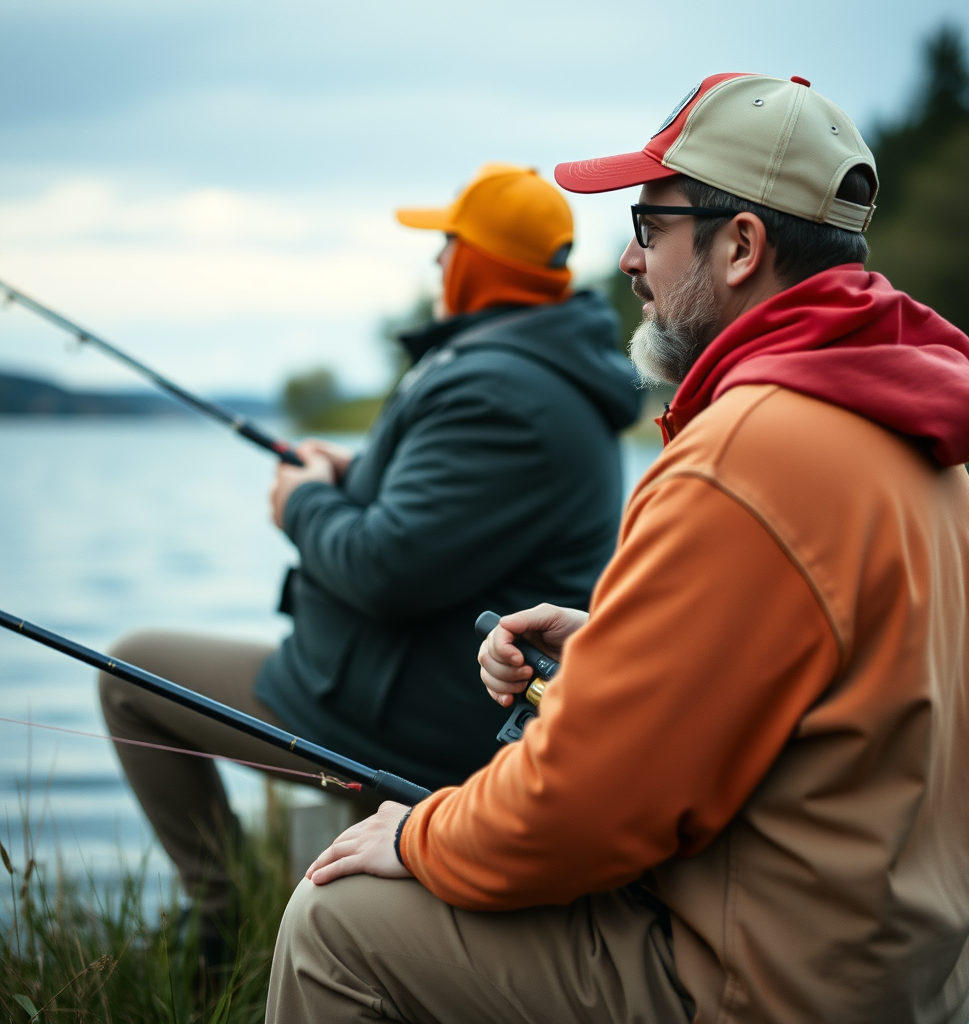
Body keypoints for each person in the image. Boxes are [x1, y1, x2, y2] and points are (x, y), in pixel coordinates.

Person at [265, 73, 969, 1023]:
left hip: (767, 986)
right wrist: (620, 645)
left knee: (338, 922)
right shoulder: (910, 434)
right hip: (893, 976)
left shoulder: (743, 451)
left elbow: (584, 813)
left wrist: (420, 835)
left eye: (651, 223)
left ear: (741, 246)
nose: (626, 257)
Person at [98, 163, 640, 951]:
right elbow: (455, 511)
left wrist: (301, 504)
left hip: (399, 718)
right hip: (403, 689)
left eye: (445, 246)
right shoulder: (531, 369)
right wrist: (355, 474)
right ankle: (269, 917)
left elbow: (386, 568)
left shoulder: (499, 390)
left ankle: (222, 923)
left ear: (473, 264)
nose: (434, 265)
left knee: (130, 675)